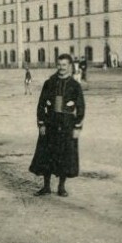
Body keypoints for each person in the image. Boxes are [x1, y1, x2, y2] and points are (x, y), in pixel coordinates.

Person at [29, 53, 85, 197]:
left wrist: (77, 127)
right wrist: (41, 123)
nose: (61, 68)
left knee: (65, 156)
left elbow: (81, 107)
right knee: (47, 155)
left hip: (67, 125)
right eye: (59, 65)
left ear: (70, 66)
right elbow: (41, 104)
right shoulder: (49, 83)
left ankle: (61, 187)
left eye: (64, 65)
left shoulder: (75, 85)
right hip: (50, 124)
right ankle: (46, 186)